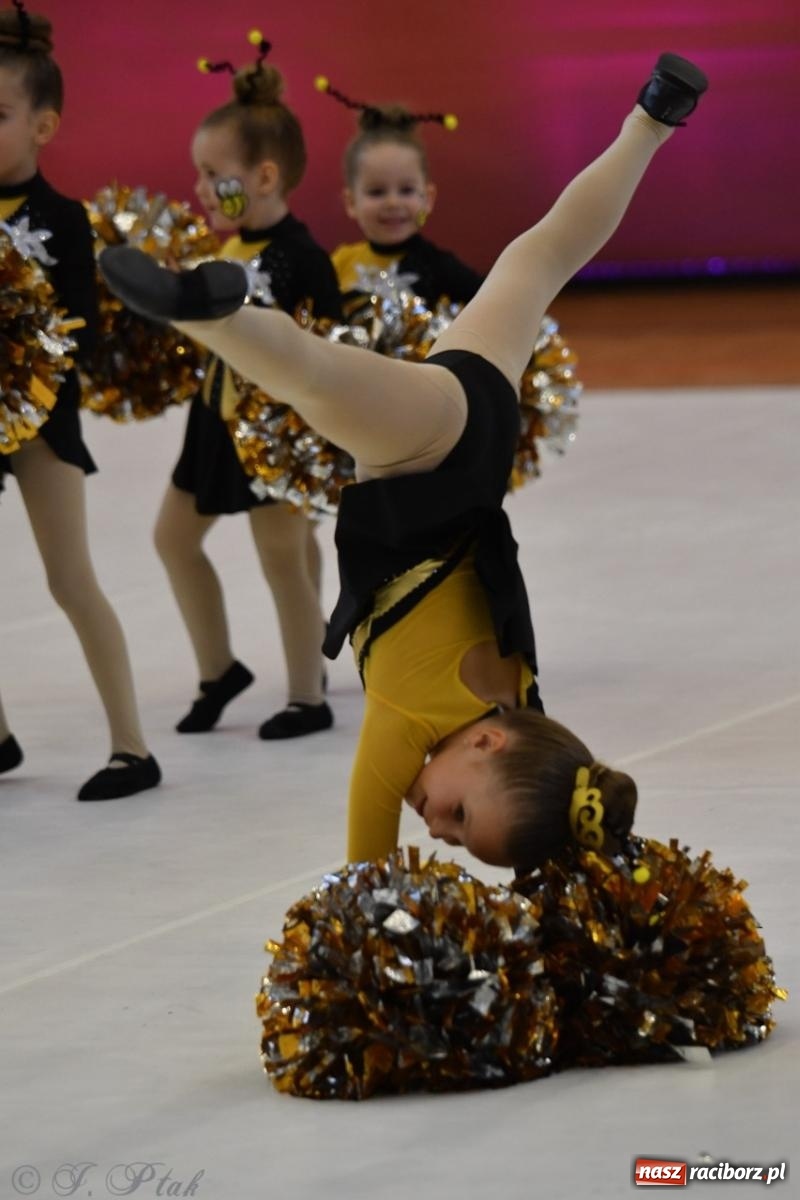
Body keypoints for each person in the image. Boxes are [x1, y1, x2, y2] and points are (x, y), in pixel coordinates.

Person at [99, 54, 708, 865]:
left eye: (452, 839)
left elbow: (562, 797)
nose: (436, 828)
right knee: (315, 380)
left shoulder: (525, 715)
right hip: (427, 451)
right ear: (488, 749)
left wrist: (584, 860)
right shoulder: (413, 725)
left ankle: (653, 119)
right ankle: (208, 311)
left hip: (478, 425)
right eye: (459, 815)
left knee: (540, 259)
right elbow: (367, 873)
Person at [152, 33, 342, 740]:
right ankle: (218, 670)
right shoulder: (228, 248)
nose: (200, 190)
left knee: (282, 557)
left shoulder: (302, 258)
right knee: (173, 538)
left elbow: (328, 351)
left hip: (277, 431)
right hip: (215, 423)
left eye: (212, 175)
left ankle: (306, 694)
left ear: (264, 177)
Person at [0, 1, 160, 801]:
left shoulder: (63, 220)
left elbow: (81, 335)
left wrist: (23, 362)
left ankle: (133, 746)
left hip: (40, 427)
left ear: (44, 127)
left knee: (70, 578)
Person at [316, 77, 483, 311]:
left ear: (428, 198)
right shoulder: (340, 264)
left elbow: (490, 305)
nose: (393, 202)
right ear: (351, 202)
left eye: (406, 190)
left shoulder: (441, 269)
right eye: (376, 192)